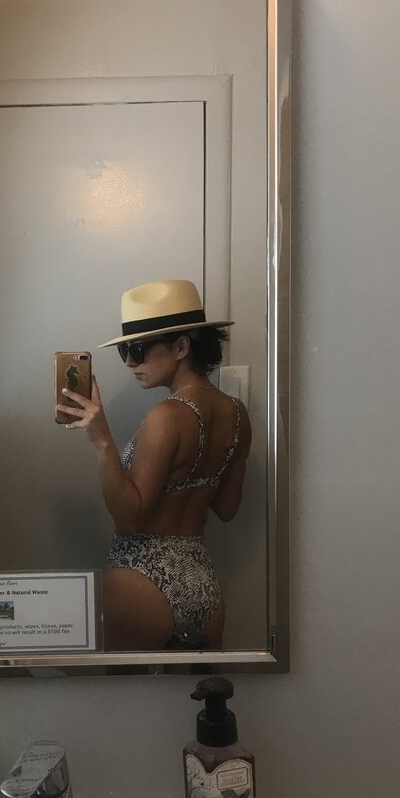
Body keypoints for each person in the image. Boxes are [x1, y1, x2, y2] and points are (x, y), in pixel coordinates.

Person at [56, 279, 252, 651]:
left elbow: (129, 520)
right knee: (197, 689)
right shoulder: (237, 413)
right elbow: (227, 509)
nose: (130, 362)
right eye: (125, 350)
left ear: (181, 347)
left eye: (139, 349)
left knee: (115, 691)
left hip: (140, 581)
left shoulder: (166, 416)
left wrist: (102, 438)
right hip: (202, 583)